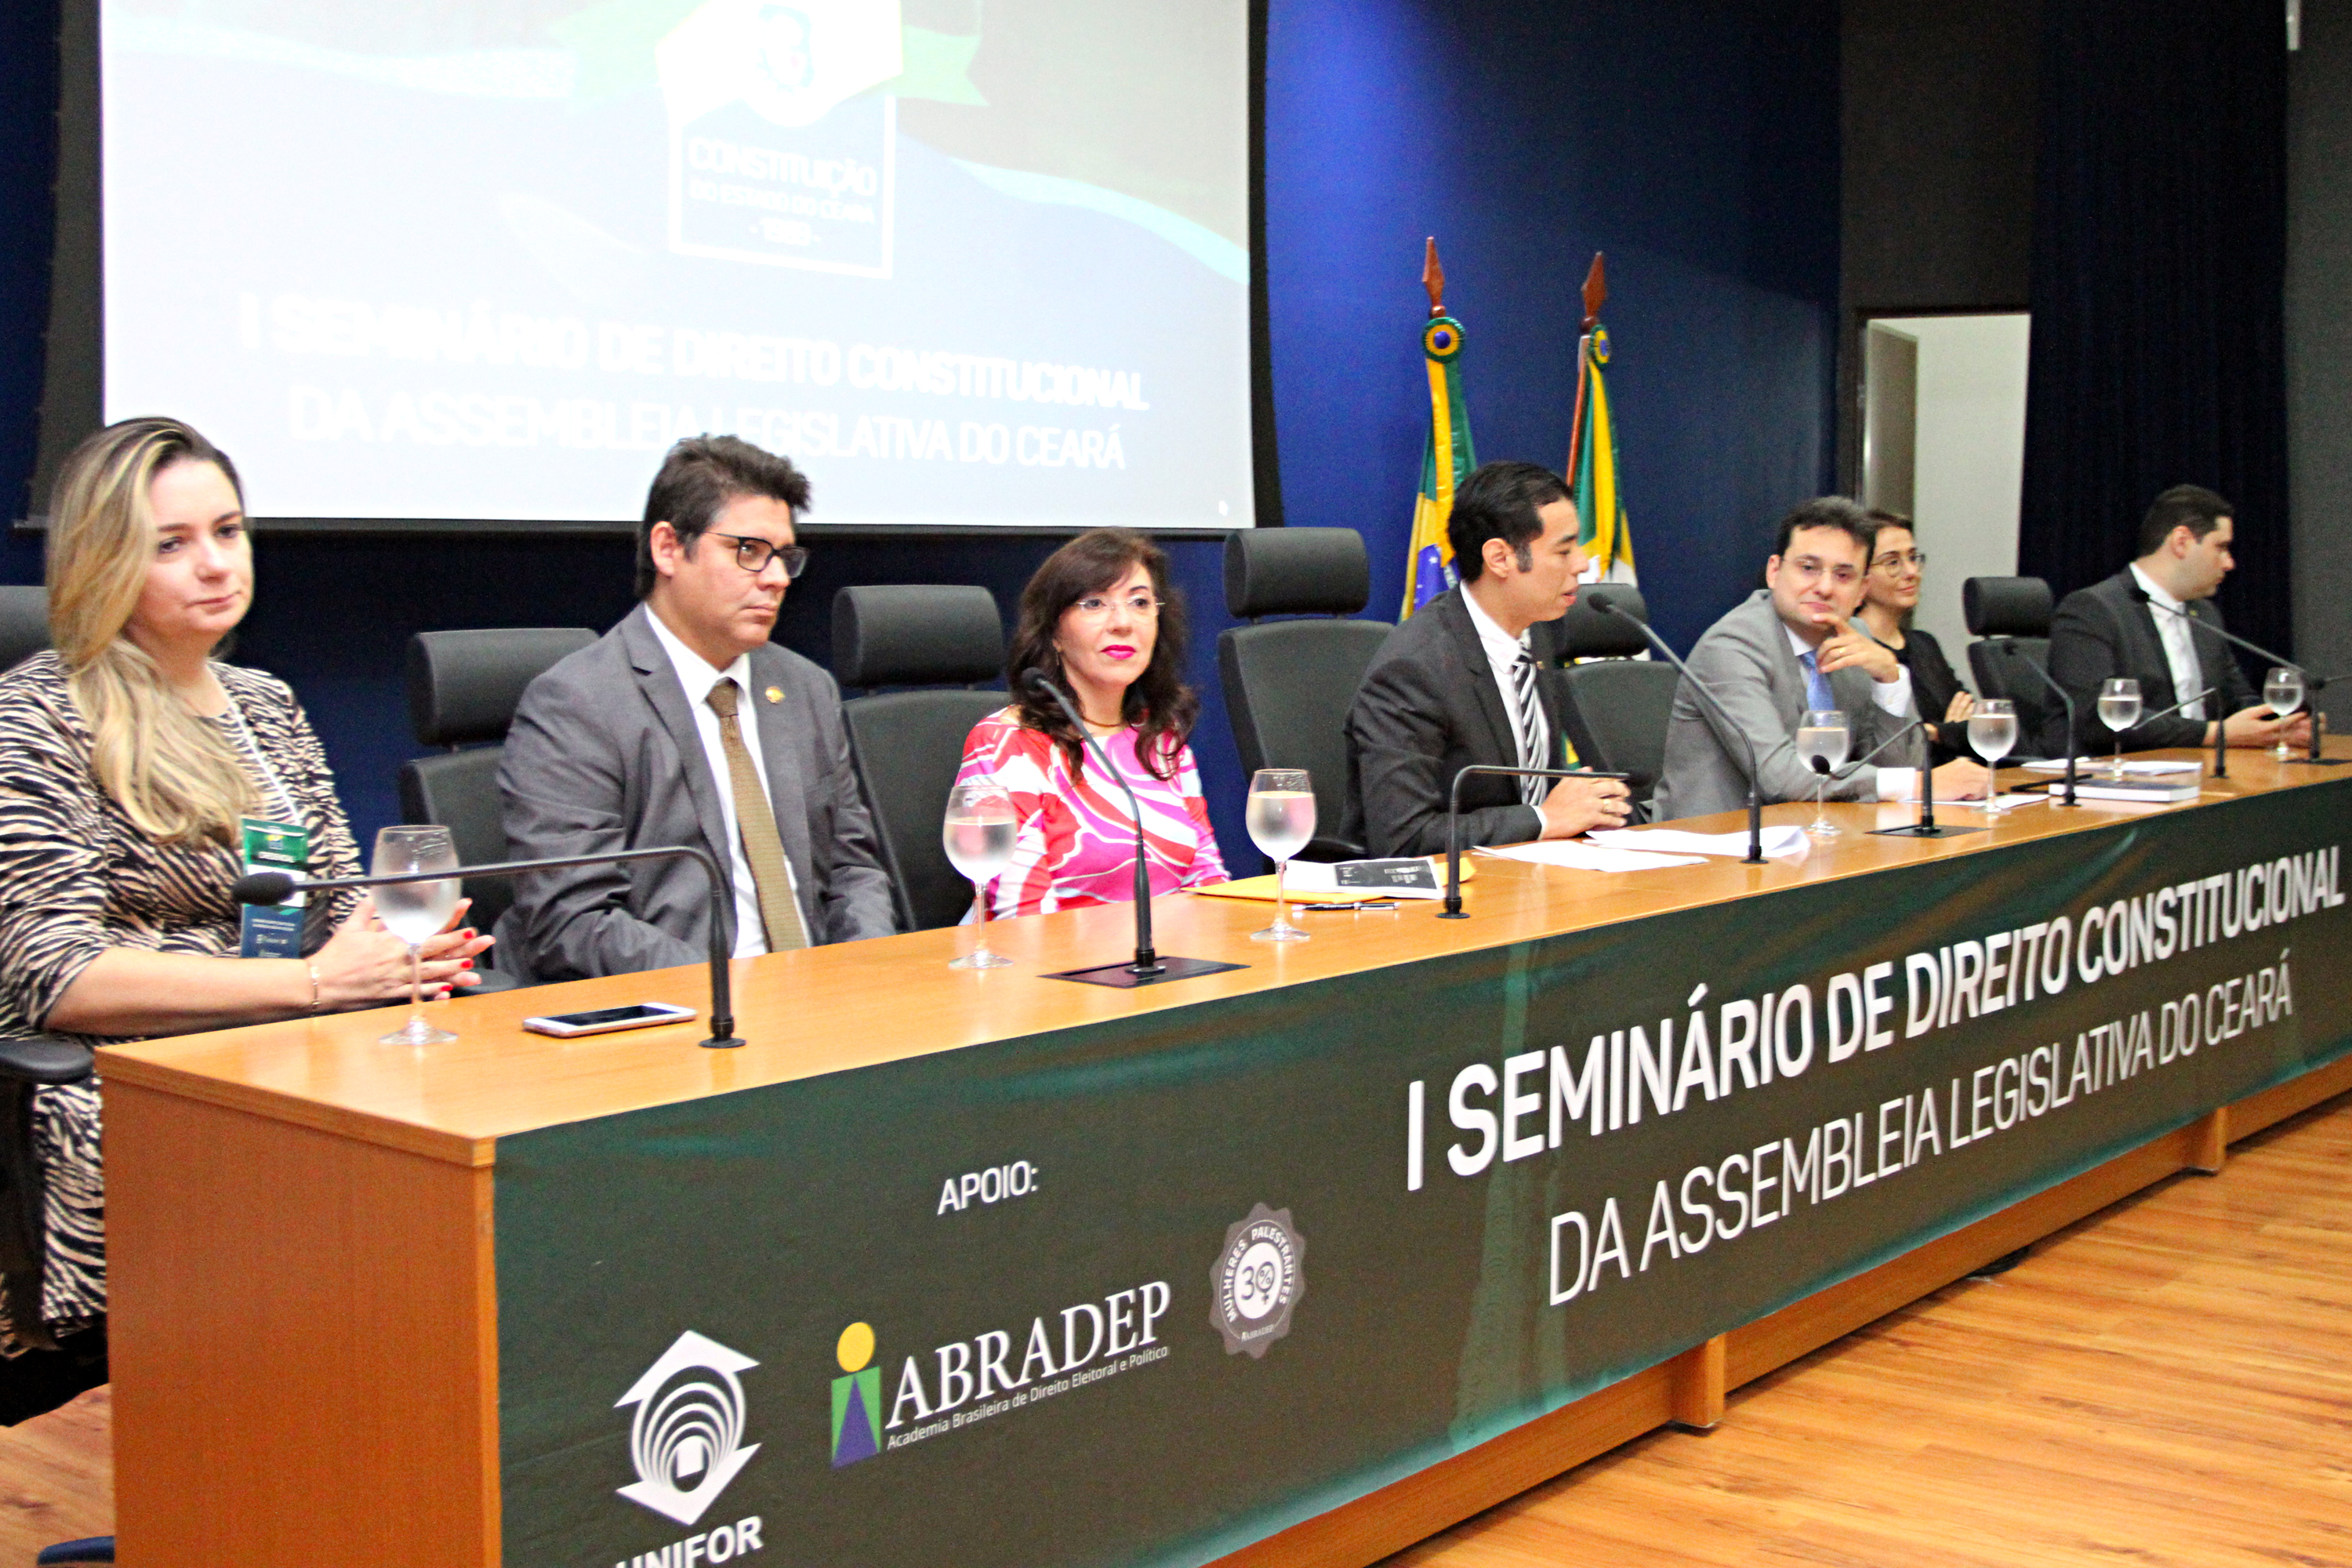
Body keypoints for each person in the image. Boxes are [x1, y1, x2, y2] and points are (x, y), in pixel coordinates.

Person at [0, 418, 488, 1361]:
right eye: (171, 545)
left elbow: (339, 895)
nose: (217, 563)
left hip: (293, 1053)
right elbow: (58, 976)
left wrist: (400, 949)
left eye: (228, 531)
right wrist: (315, 981)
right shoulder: (34, 718)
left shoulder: (265, 704)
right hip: (134, 1086)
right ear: (102, 561)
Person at [498, 436, 893, 980]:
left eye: (785, 557)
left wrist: (862, 971)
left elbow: (854, 869)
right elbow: (574, 921)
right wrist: (742, 993)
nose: (777, 578)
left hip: (821, 995)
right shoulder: (577, 703)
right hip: (687, 1004)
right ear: (667, 549)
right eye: (749, 551)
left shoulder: (805, 688)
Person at [1343, 461, 1632, 857]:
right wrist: (1544, 819)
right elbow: (1405, 839)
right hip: (1444, 889)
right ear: (1500, 558)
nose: (1582, 563)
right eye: (1564, 550)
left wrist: (1592, 805)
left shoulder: (1540, 632)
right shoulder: (1414, 669)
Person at [1652, 496, 1990, 822]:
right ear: (1774, 572)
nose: (1825, 588)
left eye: (1843, 575)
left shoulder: (1853, 637)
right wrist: (1919, 785)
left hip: (1821, 833)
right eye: (1808, 568)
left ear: (1862, 590)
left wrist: (1890, 680)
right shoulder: (1731, 646)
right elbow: (1781, 777)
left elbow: (1897, 767)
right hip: (1716, 842)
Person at [956, 529, 1228, 915]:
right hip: (1046, 953)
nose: (1123, 623)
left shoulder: (1161, 740)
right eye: (1095, 603)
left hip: (1168, 949)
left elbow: (1209, 883)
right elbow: (1022, 916)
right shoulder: (1006, 744)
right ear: (1054, 632)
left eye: (1140, 602)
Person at [2042, 485, 2307, 758]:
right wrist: (2213, 734)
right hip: (2113, 770)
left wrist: (2279, 724)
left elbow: (2236, 698)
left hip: (2198, 767)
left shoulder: (2204, 614)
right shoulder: (2092, 610)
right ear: (2181, 542)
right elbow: (2099, 719)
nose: (2229, 563)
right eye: (2221, 547)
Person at [1857, 511, 1976, 767]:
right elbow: (1881, 744)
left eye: (1913, 558)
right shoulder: (1855, 649)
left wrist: (1936, 733)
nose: (1911, 571)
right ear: (1860, 574)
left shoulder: (1924, 645)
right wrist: (1945, 732)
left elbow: (1977, 729)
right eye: (1892, 562)